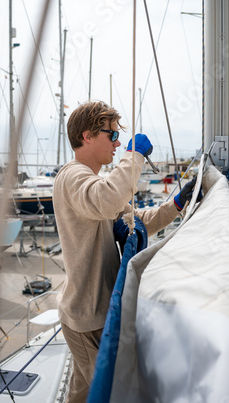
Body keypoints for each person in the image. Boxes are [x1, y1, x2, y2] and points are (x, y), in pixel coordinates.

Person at [53, 100, 199, 403]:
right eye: (112, 135)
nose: (118, 143)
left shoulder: (91, 182)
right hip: (86, 317)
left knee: (80, 394)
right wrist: (134, 156)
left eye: (119, 137)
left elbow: (134, 219)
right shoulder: (72, 177)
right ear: (86, 136)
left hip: (92, 314)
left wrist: (176, 204)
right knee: (111, 395)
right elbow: (108, 201)